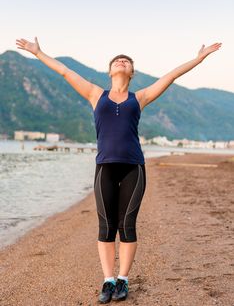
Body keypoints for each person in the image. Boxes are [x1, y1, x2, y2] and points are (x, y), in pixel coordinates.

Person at [16, 37, 222, 303]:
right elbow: (65, 71)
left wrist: (199, 58)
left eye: (126, 61)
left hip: (133, 168)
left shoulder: (140, 98)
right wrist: (38, 53)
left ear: (131, 72)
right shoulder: (95, 94)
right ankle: (108, 280)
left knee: (127, 225)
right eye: (117, 60)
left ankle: (123, 280)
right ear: (110, 71)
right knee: (106, 226)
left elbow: (170, 76)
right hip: (105, 168)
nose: (121, 61)